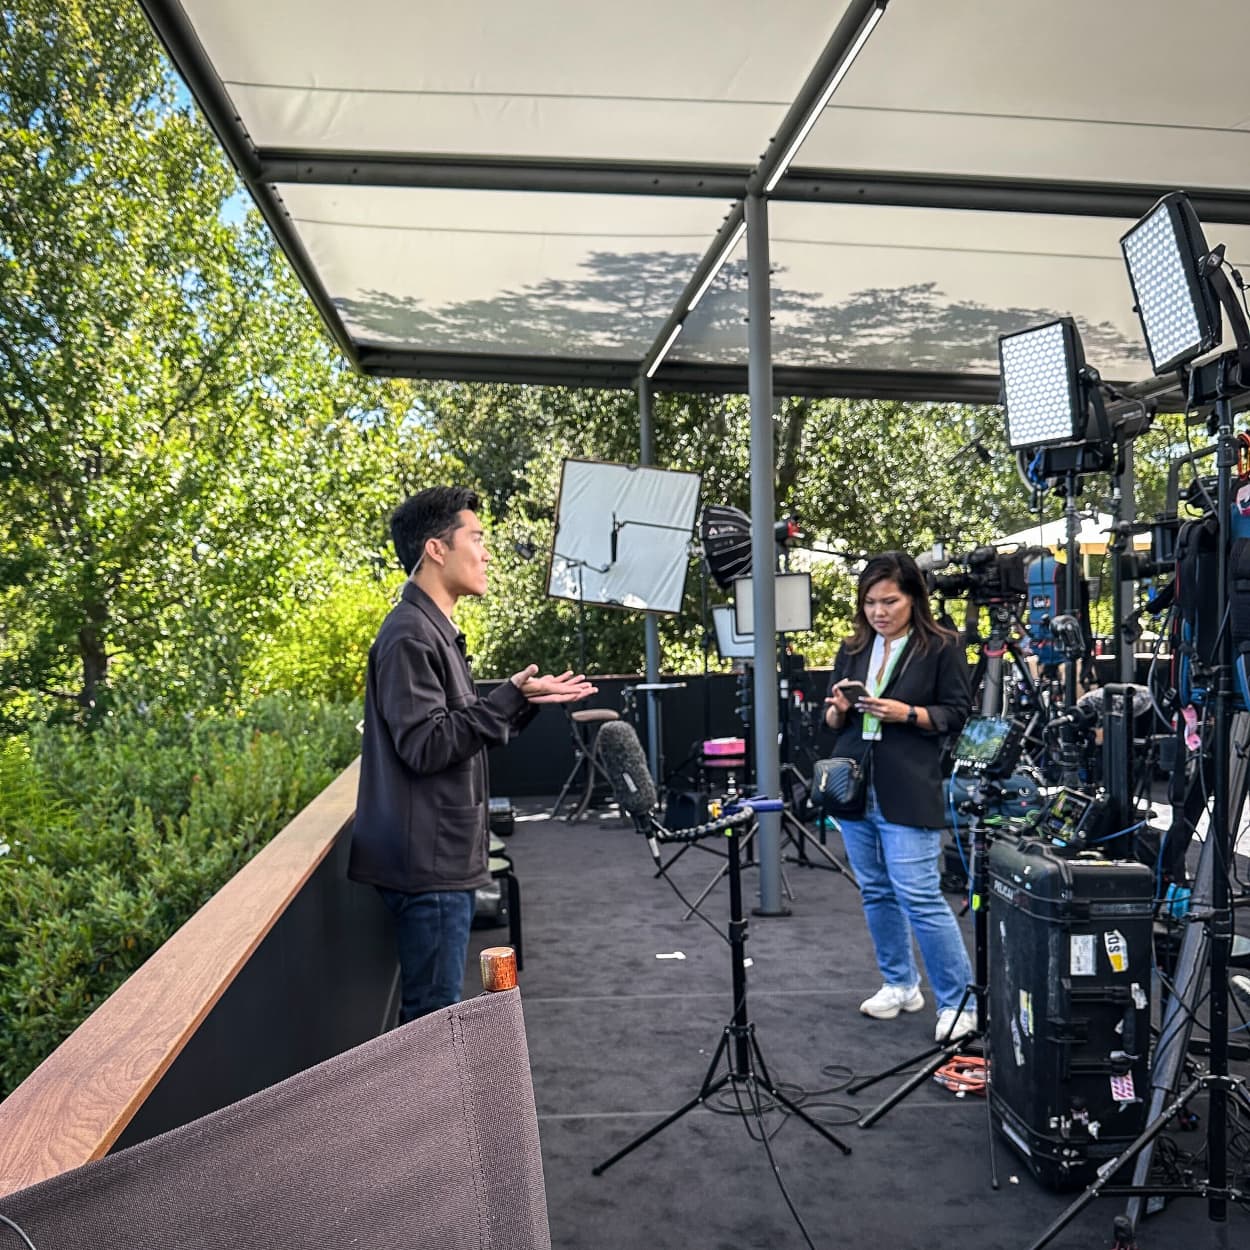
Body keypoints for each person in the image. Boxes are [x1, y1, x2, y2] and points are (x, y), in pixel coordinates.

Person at [350, 486, 595, 1022]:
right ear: (436, 549)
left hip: (438, 861)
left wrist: (520, 701)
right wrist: (508, 698)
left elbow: (453, 729)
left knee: (432, 1016)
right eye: (476, 538)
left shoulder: (429, 629)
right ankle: (427, 1111)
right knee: (433, 1020)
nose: (485, 553)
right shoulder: (410, 635)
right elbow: (426, 745)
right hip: (429, 868)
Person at [824, 550, 975, 1043]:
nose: (878, 611)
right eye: (870, 602)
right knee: (875, 891)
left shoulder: (942, 647)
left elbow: (955, 715)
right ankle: (900, 983)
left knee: (920, 896)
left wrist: (905, 713)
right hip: (855, 786)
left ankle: (958, 1001)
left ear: (913, 598)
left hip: (908, 786)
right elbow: (832, 720)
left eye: (889, 601)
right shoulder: (853, 648)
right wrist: (839, 709)